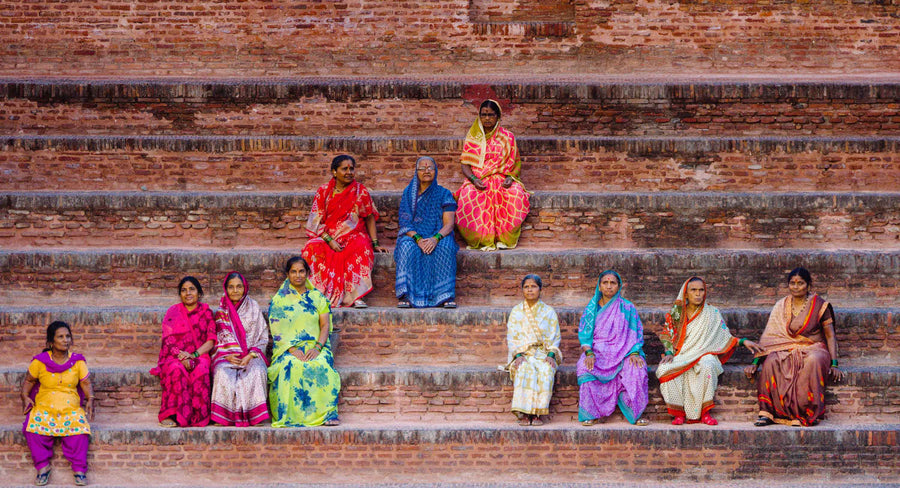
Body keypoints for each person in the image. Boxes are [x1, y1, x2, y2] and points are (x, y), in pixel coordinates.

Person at [656, 277, 764, 425]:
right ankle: (679, 413)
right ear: (686, 294)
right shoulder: (677, 312)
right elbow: (667, 334)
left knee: (708, 365)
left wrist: (743, 341)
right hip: (682, 354)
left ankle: (705, 413)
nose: (698, 294)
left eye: (701, 290)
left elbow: (724, 336)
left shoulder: (712, 312)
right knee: (664, 369)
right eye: (693, 290)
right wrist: (668, 352)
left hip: (705, 353)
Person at [745, 267, 844, 427]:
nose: (796, 287)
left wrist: (834, 364)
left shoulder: (820, 306)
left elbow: (830, 336)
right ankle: (768, 413)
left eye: (800, 283)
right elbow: (770, 338)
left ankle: (803, 413)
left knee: (812, 361)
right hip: (786, 349)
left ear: (808, 285)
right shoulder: (781, 305)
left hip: (814, 349)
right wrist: (755, 363)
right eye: (792, 283)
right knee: (771, 361)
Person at [302, 154, 387, 308]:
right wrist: (330, 240)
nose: (349, 172)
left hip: (354, 235)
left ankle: (355, 297)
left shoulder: (360, 191)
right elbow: (315, 221)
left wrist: (375, 243)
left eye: (351, 169)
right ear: (334, 172)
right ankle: (317, 293)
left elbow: (369, 217)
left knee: (361, 248)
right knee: (311, 248)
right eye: (344, 169)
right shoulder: (324, 191)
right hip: (328, 235)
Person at [267, 256, 341, 427]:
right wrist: (292, 350)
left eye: (301, 271)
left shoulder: (318, 298)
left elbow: (324, 326)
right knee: (291, 366)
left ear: (308, 273)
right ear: (288, 274)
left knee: (321, 365)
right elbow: (276, 330)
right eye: (293, 271)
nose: (298, 275)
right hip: (288, 350)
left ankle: (327, 414)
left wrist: (317, 348)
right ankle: (292, 417)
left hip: (315, 347)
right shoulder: (279, 300)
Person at [20, 321, 93, 486]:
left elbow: (86, 384)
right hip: (45, 408)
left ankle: (79, 470)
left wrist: (91, 399)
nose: (65, 340)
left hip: (70, 409)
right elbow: (29, 381)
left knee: (80, 432)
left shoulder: (78, 362)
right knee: (32, 429)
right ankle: (43, 468)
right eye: (60, 337)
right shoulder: (40, 362)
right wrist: (25, 396)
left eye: (68, 336)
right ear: (51, 342)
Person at [455, 99, 530, 251]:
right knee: (468, 195)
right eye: (484, 115)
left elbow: (515, 163)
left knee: (515, 193)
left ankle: (504, 239)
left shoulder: (507, 137)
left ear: (498, 117)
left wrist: (510, 178)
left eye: (491, 115)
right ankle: (482, 240)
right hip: (478, 179)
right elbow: (465, 163)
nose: (487, 118)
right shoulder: (474, 137)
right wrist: (474, 180)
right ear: (479, 116)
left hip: (502, 178)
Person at [577, 270, 649, 426]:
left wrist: (635, 352)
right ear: (599, 286)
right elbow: (584, 334)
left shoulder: (627, 308)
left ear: (619, 286)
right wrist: (589, 353)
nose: (609, 286)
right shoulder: (591, 309)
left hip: (625, 352)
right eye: (605, 283)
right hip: (597, 352)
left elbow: (636, 333)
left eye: (613, 283)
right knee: (584, 367)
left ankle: (635, 413)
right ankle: (591, 413)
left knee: (636, 369)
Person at [150, 276, 216, 428]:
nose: (188, 293)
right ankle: (171, 415)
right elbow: (168, 339)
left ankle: (199, 417)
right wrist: (181, 356)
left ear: (199, 293)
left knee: (202, 368)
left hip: (199, 354)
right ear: (180, 294)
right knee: (175, 369)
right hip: (175, 356)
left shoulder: (206, 312)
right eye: (184, 290)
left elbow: (211, 340)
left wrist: (194, 355)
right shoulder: (173, 312)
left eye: (192, 289)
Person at [394, 156, 459, 308]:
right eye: (422, 168)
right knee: (406, 247)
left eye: (430, 168)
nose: (426, 171)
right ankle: (406, 295)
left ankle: (445, 296)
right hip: (414, 235)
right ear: (416, 172)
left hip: (439, 234)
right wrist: (418, 239)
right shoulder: (409, 194)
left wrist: (435, 239)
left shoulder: (444, 193)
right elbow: (404, 222)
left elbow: (449, 224)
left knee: (446, 247)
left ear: (436, 171)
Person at [210, 272, 270, 427]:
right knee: (223, 373)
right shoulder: (221, 311)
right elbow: (217, 339)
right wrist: (227, 356)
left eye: (239, 286)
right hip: (227, 357)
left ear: (245, 288)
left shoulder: (254, 307)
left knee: (257, 371)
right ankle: (223, 418)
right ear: (226, 289)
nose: (235, 290)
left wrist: (250, 356)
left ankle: (256, 417)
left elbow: (263, 336)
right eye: (231, 287)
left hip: (251, 355)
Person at [505, 274, 561, 426]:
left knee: (546, 370)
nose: (530, 290)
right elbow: (512, 336)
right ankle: (524, 412)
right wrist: (517, 355)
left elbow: (555, 336)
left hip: (543, 353)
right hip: (524, 353)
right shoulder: (516, 311)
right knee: (524, 369)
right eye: (526, 287)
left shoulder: (549, 312)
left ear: (540, 289)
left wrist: (551, 355)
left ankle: (537, 413)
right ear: (522, 290)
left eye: (533, 286)